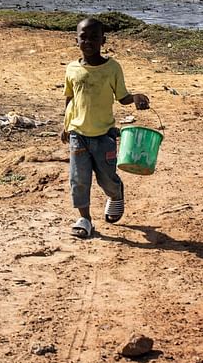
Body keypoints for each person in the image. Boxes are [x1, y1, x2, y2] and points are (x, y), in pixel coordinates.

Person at [60, 17, 150, 238]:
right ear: (76, 40)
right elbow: (70, 100)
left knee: (106, 178)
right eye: (83, 37)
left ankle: (116, 195)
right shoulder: (72, 69)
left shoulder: (112, 68)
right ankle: (85, 219)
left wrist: (136, 97)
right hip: (78, 135)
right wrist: (65, 125)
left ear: (103, 40)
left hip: (103, 136)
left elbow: (122, 97)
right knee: (78, 179)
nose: (88, 42)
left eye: (94, 37)